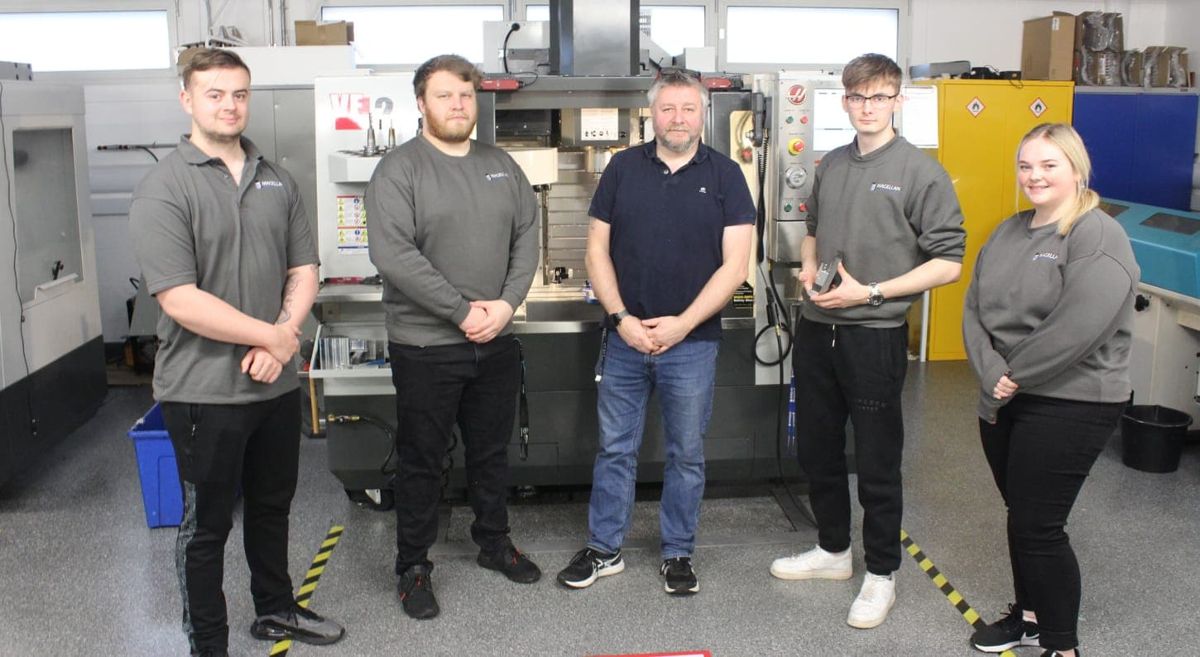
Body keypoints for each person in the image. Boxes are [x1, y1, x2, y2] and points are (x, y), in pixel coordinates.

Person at [129, 48, 343, 657]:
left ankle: (274, 609)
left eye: (240, 94)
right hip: (204, 391)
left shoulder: (276, 178)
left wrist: (283, 334)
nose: (230, 105)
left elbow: (304, 267)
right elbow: (180, 298)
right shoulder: (164, 187)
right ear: (187, 100)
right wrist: (273, 336)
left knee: (273, 507)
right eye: (215, 94)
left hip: (273, 384)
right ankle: (209, 644)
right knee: (207, 526)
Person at [768, 53, 966, 629]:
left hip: (874, 335)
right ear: (845, 102)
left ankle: (882, 574)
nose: (867, 107)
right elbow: (811, 230)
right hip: (818, 329)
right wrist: (809, 269)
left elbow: (948, 262)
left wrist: (871, 292)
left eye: (879, 97)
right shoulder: (831, 163)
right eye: (857, 97)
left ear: (898, 101)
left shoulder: (922, 172)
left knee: (877, 460)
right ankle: (833, 550)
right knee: (817, 449)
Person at [555, 69, 756, 596]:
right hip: (624, 341)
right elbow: (595, 250)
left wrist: (682, 324)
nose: (678, 118)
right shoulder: (622, 168)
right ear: (653, 114)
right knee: (614, 450)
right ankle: (604, 548)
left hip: (692, 345)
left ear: (703, 114)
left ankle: (677, 552)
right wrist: (621, 318)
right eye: (668, 108)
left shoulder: (727, 175)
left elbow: (736, 266)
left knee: (686, 453)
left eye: (688, 108)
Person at [365, 54, 541, 621]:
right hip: (426, 346)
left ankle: (493, 541)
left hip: (495, 341)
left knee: (491, 451)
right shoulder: (399, 170)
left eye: (465, 95)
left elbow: (527, 236)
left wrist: (507, 304)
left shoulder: (501, 165)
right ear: (422, 103)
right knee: (422, 458)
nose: (458, 105)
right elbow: (395, 256)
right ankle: (413, 565)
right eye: (444, 96)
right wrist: (463, 312)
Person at [962, 123, 1138, 657]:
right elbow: (974, 307)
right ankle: (1030, 617)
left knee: (1039, 524)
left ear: (1076, 169)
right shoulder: (1008, 231)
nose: (1034, 176)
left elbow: (1081, 325)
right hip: (1005, 393)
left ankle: (1063, 647)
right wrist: (990, 371)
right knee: (1021, 515)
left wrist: (1012, 373)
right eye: (1025, 166)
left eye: (1048, 165)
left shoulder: (1096, 235)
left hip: (1073, 397)